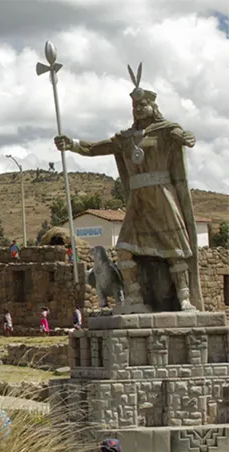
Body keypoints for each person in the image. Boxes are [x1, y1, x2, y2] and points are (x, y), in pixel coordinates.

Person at [55, 74, 201, 312]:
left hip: (162, 197)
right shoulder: (125, 139)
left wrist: (187, 137)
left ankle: (184, 298)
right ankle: (135, 300)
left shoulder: (165, 131)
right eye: (135, 106)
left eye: (143, 104)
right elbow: (97, 147)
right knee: (124, 250)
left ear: (153, 106)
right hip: (138, 202)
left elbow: (184, 137)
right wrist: (72, 144)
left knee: (175, 251)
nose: (138, 109)